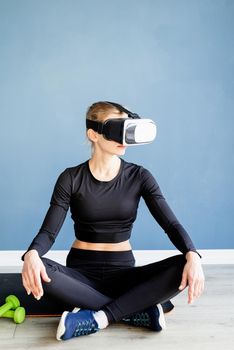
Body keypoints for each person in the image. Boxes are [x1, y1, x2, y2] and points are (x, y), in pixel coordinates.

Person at [21, 101, 205, 341]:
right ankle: (134, 309)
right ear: (93, 134)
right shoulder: (70, 178)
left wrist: (192, 254)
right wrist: (32, 254)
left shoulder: (140, 176)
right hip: (81, 275)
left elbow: (171, 225)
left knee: (185, 265)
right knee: (39, 268)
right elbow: (49, 232)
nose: (124, 138)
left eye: (127, 129)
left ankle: (99, 317)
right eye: (117, 129)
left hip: (123, 271)